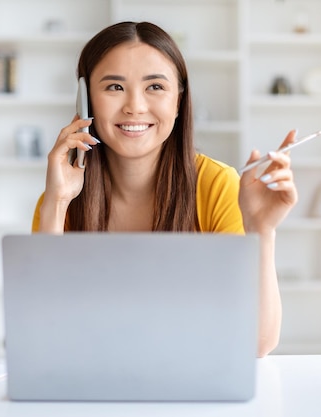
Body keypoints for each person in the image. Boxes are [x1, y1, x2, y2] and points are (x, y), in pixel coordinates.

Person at [31, 21, 297, 357]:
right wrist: (56, 203)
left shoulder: (216, 184)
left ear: (179, 101)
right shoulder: (59, 198)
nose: (135, 107)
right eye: (114, 87)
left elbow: (257, 342)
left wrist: (262, 231)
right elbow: (41, 331)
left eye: (155, 87)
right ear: (85, 101)